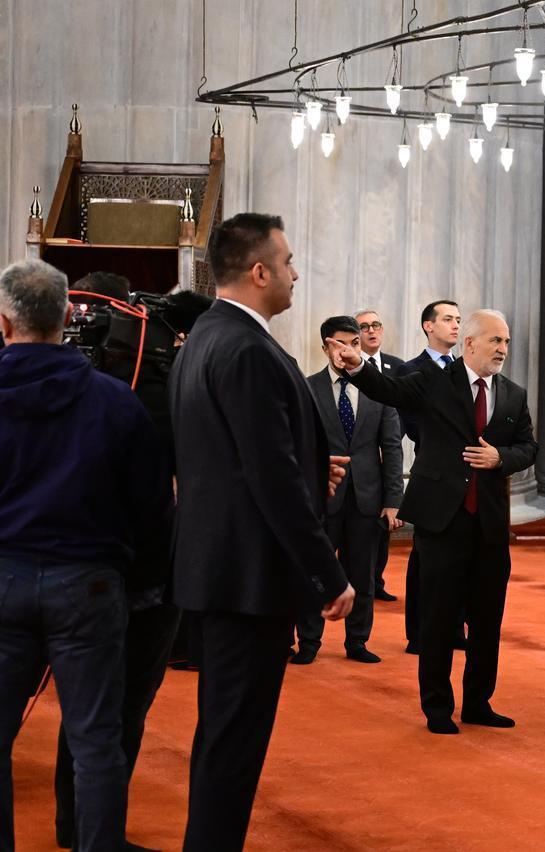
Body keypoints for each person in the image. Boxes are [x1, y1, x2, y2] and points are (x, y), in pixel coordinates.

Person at [169, 213, 355, 850]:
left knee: (223, 737)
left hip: (218, 571)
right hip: (247, 581)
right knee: (233, 745)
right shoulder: (247, 348)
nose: (296, 273)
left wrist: (307, 468)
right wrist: (327, 574)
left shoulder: (203, 336)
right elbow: (265, 477)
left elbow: (227, 459)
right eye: (289, 261)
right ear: (259, 271)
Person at [0, 259, 170, 852]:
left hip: (5, 579)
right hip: (90, 583)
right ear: (68, 315)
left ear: (4, 322)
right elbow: (151, 508)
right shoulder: (116, 402)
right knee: (96, 738)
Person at [52, 273, 212, 850]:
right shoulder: (159, 391)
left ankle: (75, 826)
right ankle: (96, 834)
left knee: (83, 709)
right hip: (141, 572)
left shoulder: (59, 379)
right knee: (118, 713)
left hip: (58, 565)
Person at [337, 309, 538, 735]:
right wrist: (357, 367)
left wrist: (501, 458)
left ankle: (479, 702)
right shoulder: (434, 380)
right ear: (469, 344)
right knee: (439, 619)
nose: (503, 349)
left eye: (506, 341)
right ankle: (437, 708)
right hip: (440, 522)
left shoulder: (514, 395)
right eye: (495, 340)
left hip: (489, 526)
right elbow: (388, 390)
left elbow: (528, 447)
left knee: (487, 619)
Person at [293, 316, 404, 665]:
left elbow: (392, 447)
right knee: (315, 571)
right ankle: (309, 641)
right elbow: (298, 444)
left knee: (364, 574)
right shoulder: (308, 388)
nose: (349, 350)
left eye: (354, 344)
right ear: (326, 346)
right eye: (341, 344)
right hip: (322, 497)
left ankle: (357, 641)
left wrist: (392, 501)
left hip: (367, 498)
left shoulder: (378, 389)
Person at [398, 299, 463, 652]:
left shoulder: (466, 369)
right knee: (426, 559)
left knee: (460, 558)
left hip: (464, 476)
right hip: (431, 473)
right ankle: (419, 634)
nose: (456, 325)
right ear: (429, 326)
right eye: (448, 319)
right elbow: (409, 421)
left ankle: (455, 629)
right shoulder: (411, 370)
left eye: (458, 319)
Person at [355, 308, 405, 603]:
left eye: (376, 325)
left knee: (383, 525)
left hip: (389, 455)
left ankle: (376, 580)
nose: (372, 331)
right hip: (358, 459)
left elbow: (408, 411)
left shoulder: (398, 368)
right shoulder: (346, 368)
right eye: (364, 327)